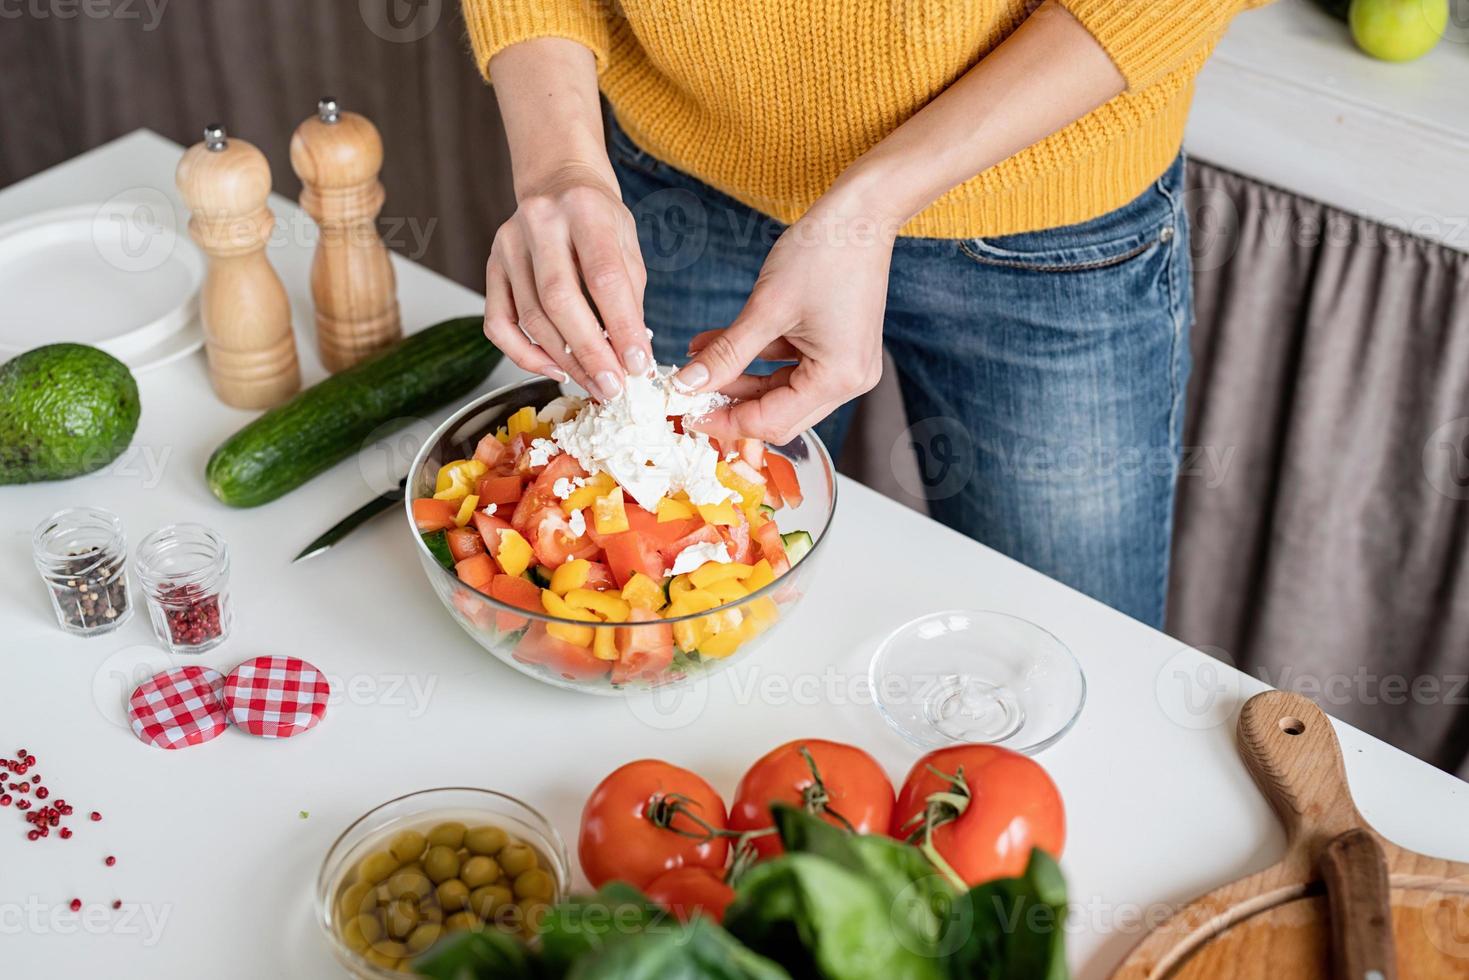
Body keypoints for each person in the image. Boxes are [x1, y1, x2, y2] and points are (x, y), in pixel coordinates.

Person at [462, 0, 1265, 627]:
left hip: (1047, 223)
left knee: (1069, 643)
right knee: (686, 629)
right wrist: (559, 165)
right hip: (679, 189)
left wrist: (870, 202)